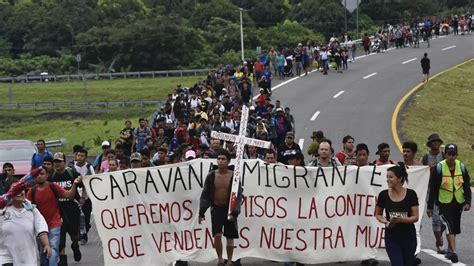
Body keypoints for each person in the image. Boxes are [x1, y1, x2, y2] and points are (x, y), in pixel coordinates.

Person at [28, 167, 82, 266]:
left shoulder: (53, 186)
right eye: (37, 175)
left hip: (54, 223)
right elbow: (26, 210)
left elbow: (69, 195)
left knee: (53, 248)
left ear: (47, 175)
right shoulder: (32, 191)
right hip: (40, 227)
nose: (40, 176)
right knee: (42, 252)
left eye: (42, 174)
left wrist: (74, 184)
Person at [427, 144, 471, 263]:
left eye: (453, 154)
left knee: (454, 227)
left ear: (456, 155)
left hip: (458, 201)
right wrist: (430, 206)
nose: (451, 157)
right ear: (445, 155)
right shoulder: (439, 168)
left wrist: (468, 202)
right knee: (448, 224)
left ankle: (450, 250)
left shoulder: (461, 166)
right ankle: (453, 251)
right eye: (449, 154)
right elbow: (433, 188)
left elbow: (466, 185)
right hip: (443, 202)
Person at [199, 149, 242, 266]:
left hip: (229, 209)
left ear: (228, 161)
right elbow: (205, 194)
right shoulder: (211, 176)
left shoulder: (234, 176)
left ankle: (229, 260)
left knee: (230, 236)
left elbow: (238, 195)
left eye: (223, 159)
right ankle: (220, 259)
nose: (220, 161)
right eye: (219, 159)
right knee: (217, 235)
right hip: (216, 209)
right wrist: (202, 211)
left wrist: (235, 211)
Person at [375, 163, 419, 266]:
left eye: (391, 177)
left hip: (408, 236)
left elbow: (415, 217)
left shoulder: (411, 194)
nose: (387, 180)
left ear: (400, 179)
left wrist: (401, 220)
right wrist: (386, 221)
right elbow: (378, 214)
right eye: (387, 177)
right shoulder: (383, 195)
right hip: (392, 236)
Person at [0, 180, 52, 266]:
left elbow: (41, 227)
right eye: (16, 190)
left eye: (21, 190)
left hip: (28, 259)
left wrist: (46, 245)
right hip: (5, 258)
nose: (20, 193)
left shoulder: (32, 210)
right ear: (9, 193)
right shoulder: (2, 211)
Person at [50, 152, 82, 265]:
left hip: (72, 208)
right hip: (58, 210)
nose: (57, 164)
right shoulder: (51, 177)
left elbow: (85, 184)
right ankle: (63, 259)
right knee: (60, 237)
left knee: (75, 235)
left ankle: (75, 245)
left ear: (64, 162)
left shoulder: (72, 173)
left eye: (59, 162)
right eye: (55, 162)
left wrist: (83, 197)